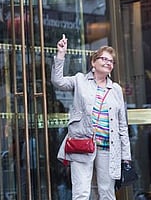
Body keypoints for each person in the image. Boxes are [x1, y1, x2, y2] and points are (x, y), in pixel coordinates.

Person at [51, 34, 131, 200]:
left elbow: (122, 125)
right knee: (81, 194)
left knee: (107, 194)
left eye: (111, 61)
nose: (108, 63)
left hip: (108, 148)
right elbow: (58, 81)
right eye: (104, 59)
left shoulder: (116, 89)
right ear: (93, 62)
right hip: (82, 144)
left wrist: (126, 156)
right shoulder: (80, 80)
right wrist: (61, 54)